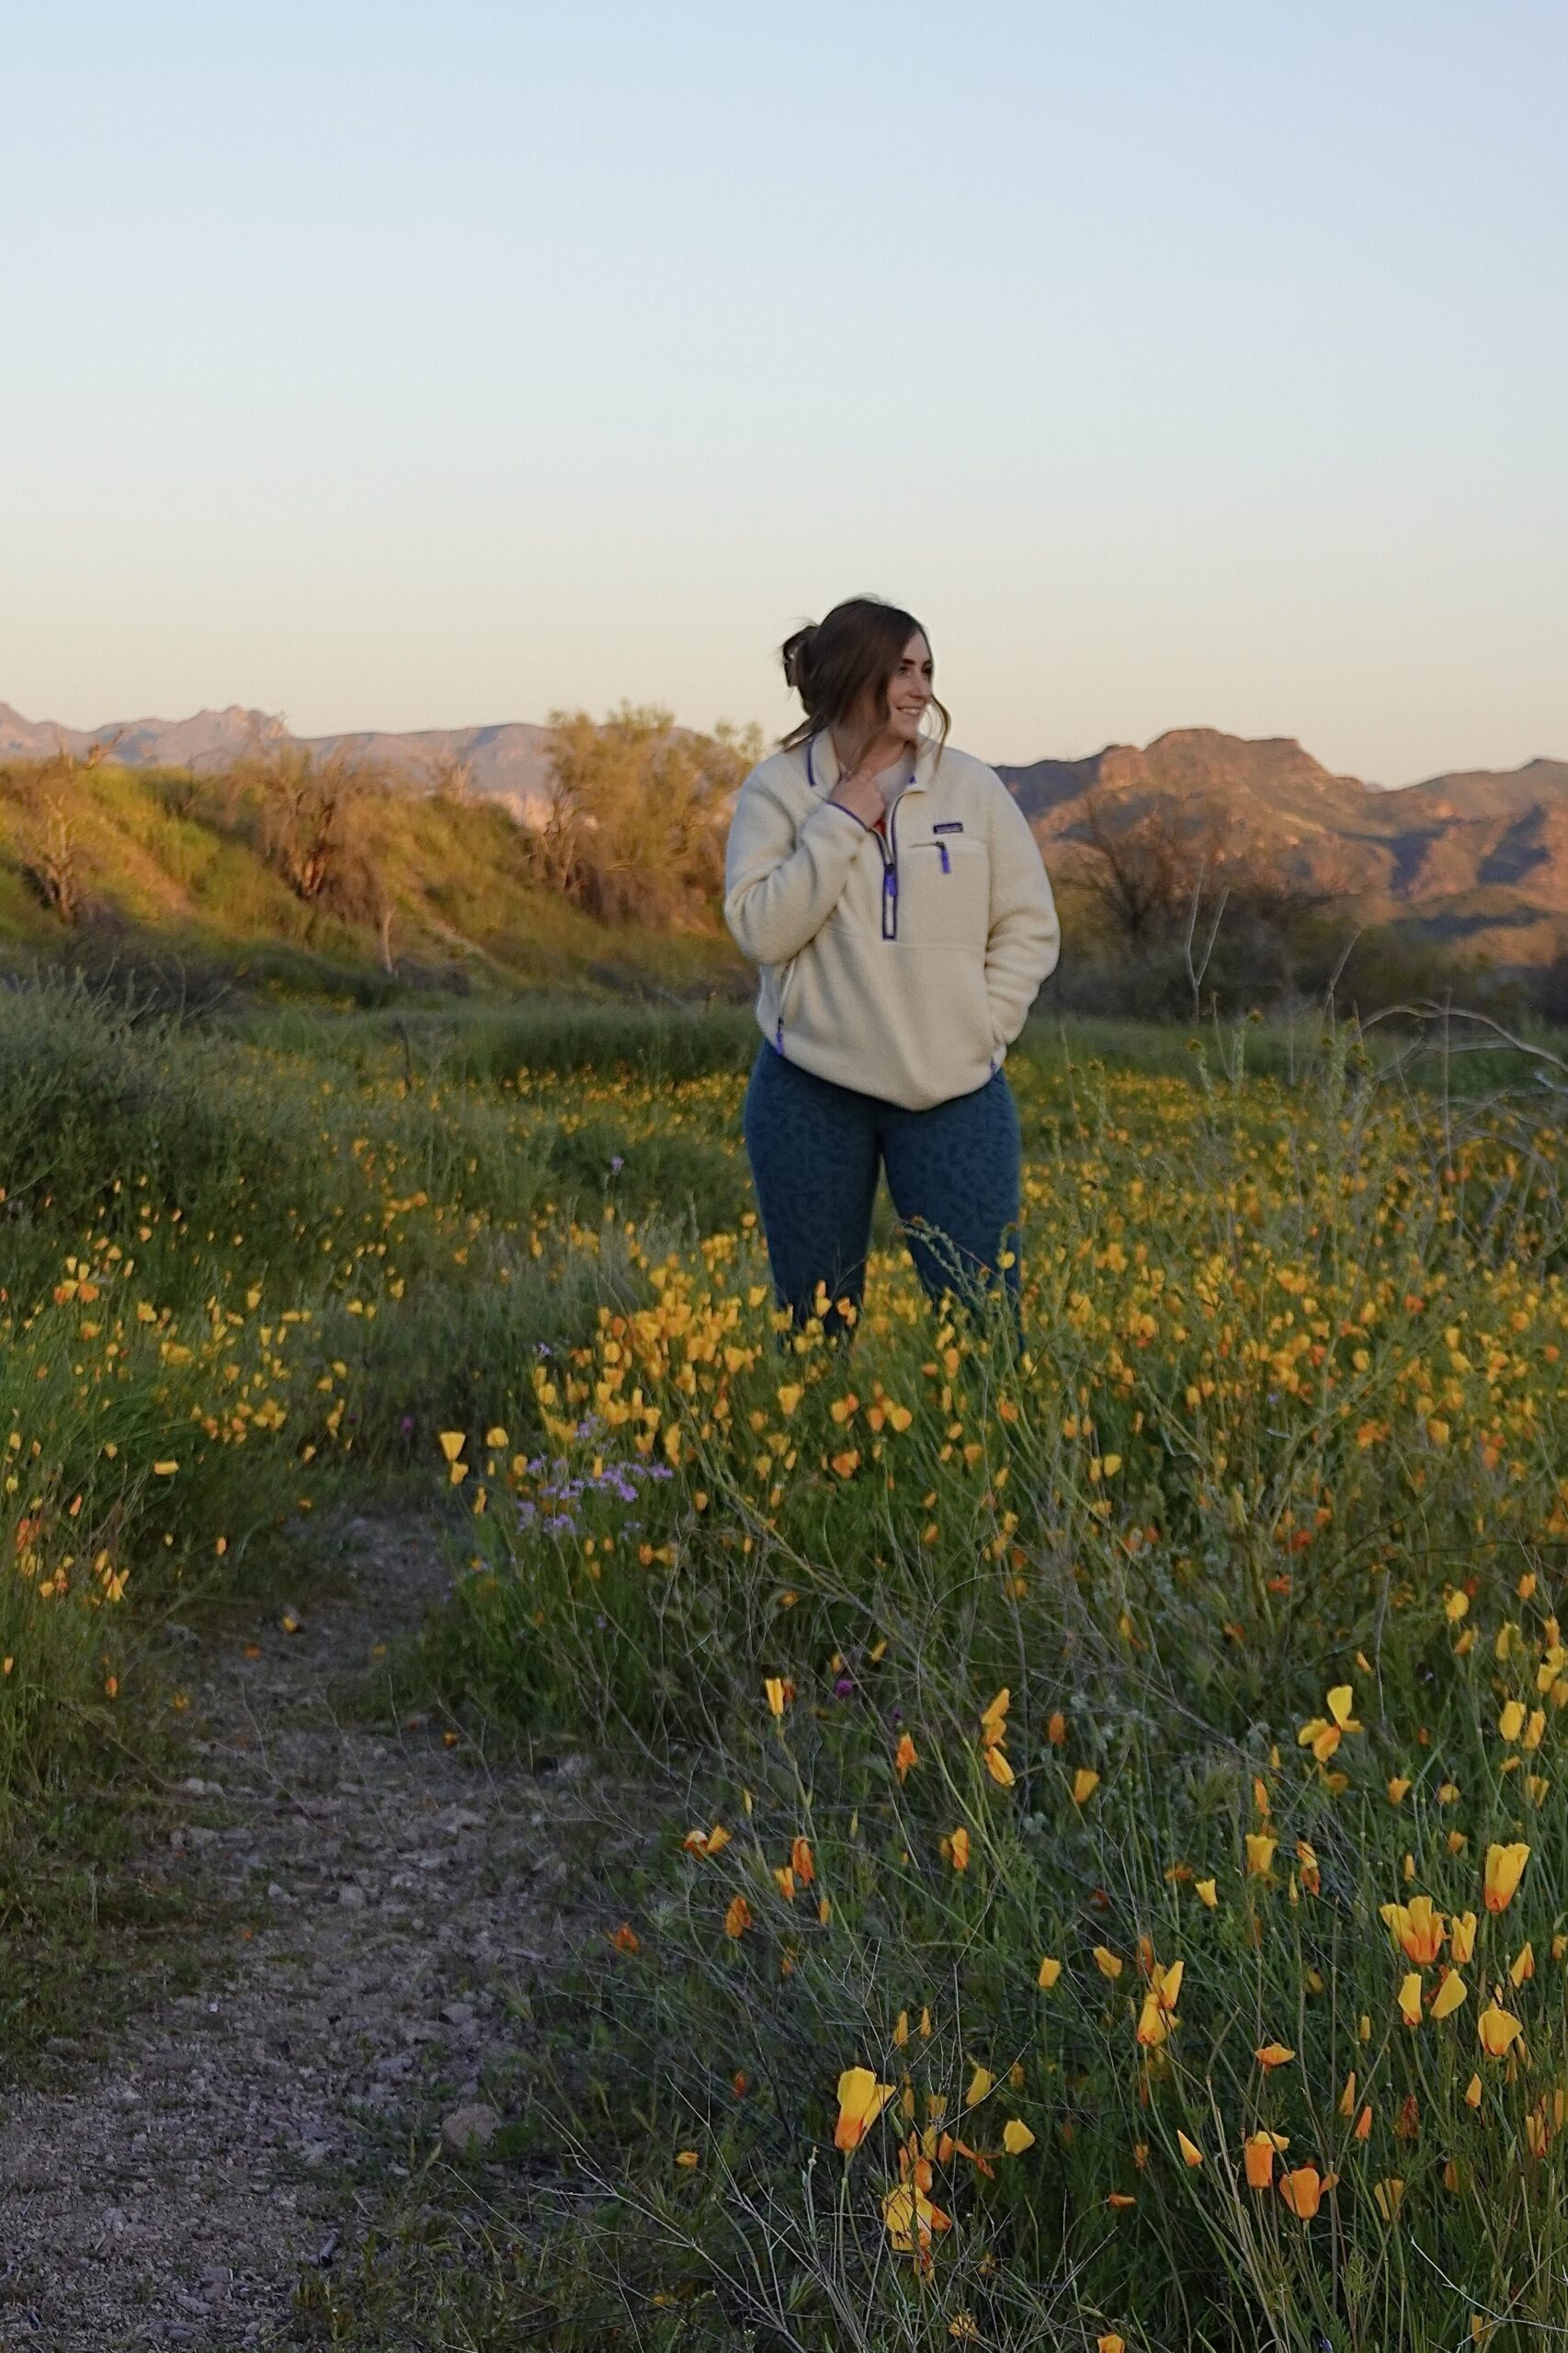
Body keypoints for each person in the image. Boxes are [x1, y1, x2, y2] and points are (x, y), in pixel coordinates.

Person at [723, 595, 1060, 1336]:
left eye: (927, 671)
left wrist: (984, 1028)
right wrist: (839, 820)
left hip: (957, 1094)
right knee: (815, 1330)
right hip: (810, 1092)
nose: (921, 689)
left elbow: (1029, 927)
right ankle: (823, 1452)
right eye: (902, 669)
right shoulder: (779, 790)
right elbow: (761, 931)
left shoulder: (970, 789)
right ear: (854, 673)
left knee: (985, 1329)